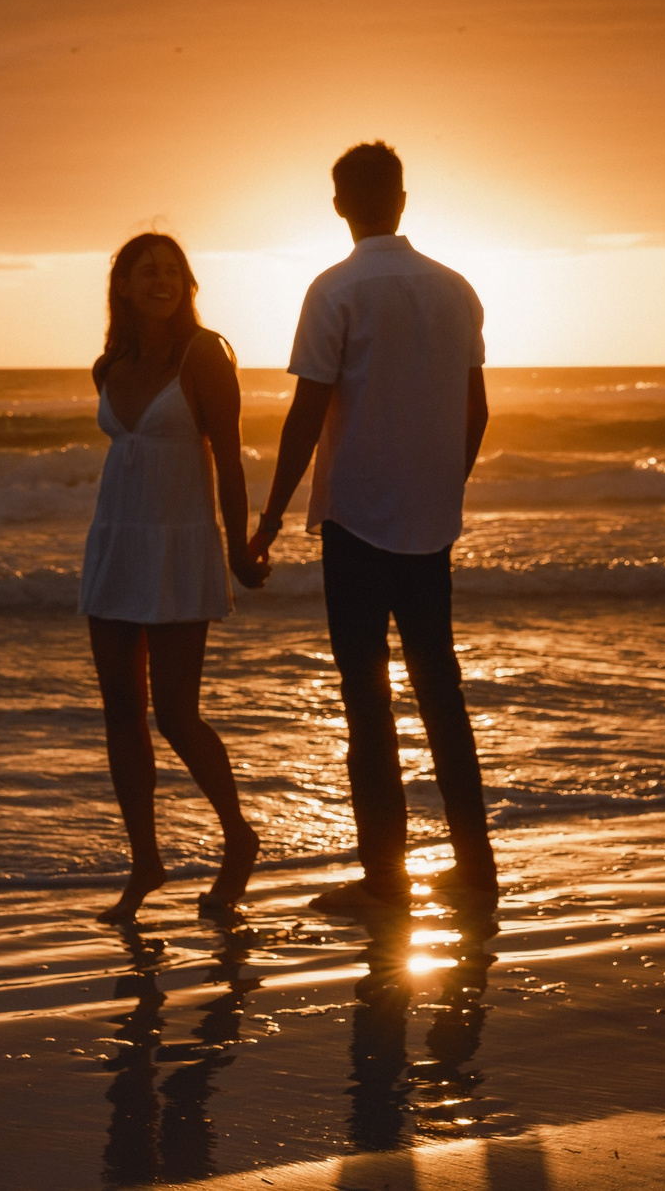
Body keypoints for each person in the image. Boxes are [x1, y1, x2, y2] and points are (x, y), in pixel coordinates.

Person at [245, 143, 496, 917]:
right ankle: (476, 867)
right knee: (440, 690)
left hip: (356, 520)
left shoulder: (334, 290)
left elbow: (307, 412)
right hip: (429, 523)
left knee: (366, 696)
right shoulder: (456, 289)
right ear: (403, 199)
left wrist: (268, 519)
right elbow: (478, 408)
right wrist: (444, 485)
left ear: (339, 205)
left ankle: (385, 879)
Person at [82, 231, 265, 921]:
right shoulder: (109, 365)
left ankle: (238, 836)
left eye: (171, 270)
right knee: (120, 712)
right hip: (116, 543)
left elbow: (230, 459)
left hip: (179, 548)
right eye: (146, 271)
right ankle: (145, 864)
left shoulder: (205, 355)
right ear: (122, 287)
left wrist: (241, 548)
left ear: (187, 284)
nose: (160, 280)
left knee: (177, 714)